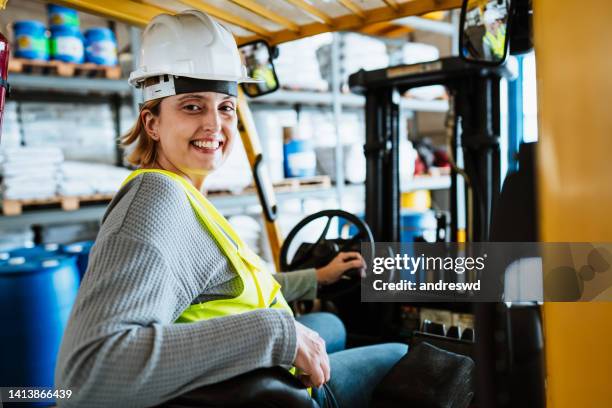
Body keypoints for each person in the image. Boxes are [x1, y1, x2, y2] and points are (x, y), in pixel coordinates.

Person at [55, 10, 407, 408]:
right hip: (270, 394)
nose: (215, 125)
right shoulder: (154, 203)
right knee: (402, 356)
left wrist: (315, 277)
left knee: (330, 324)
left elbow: (229, 289)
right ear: (152, 122)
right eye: (192, 106)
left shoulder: (185, 193)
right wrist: (278, 334)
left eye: (225, 107)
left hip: (253, 375)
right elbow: (88, 375)